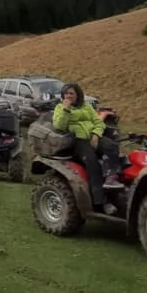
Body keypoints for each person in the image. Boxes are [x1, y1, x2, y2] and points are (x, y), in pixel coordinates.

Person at [53, 82, 121, 215]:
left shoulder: (87, 106)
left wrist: (96, 135)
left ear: (78, 94)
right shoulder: (60, 108)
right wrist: (66, 110)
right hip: (77, 141)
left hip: (93, 136)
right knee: (92, 163)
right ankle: (99, 203)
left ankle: (111, 178)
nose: (68, 96)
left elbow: (98, 122)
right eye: (66, 93)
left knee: (112, 147)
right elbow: (59, 126)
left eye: (71, 93)